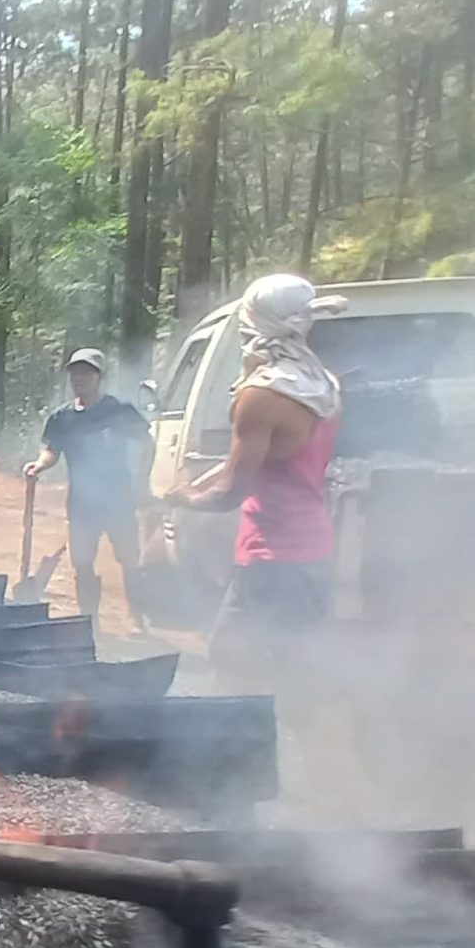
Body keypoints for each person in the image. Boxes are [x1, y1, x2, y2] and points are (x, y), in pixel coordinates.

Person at [159, 274, 347, 676]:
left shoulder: (261, 395)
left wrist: (180, 497)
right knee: (295, 661)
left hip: (271, 555)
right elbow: (278, 458)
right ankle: (299, 712)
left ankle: (266, 717)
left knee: (232, 659)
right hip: (314, 546)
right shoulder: (323, 384)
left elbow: (229, 492)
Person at [25, 348, 153, 625]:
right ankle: (88, 621)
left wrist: (142, 480)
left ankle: (138, 619)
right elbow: (52, 450)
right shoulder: (62, 418)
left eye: (86, 373)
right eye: (75, 373)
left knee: (130, 560)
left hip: (119, 499)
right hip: (82, 503)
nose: (79, 378)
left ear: (99, 376)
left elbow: (147, 443)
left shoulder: (119, 411)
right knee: (82, 563)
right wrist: (39, 466)